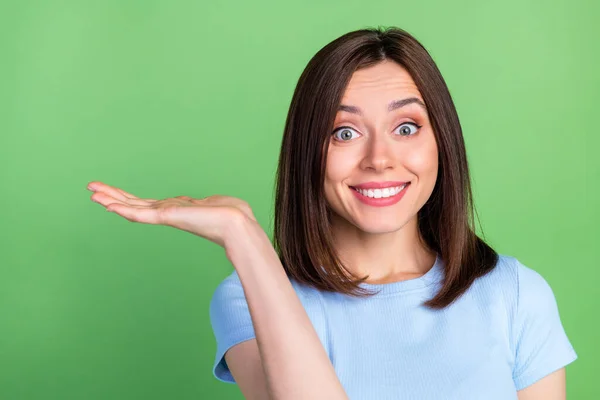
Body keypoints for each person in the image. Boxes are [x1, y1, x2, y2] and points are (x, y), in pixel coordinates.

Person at [87, 27, 577, 400]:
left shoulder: (515, 295)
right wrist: (246, 238)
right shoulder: (249, 297)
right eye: (344, 132)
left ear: (441, 143)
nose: (379, 158)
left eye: (406, 127)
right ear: (308, 153)